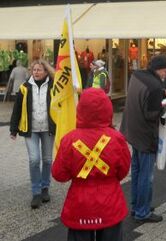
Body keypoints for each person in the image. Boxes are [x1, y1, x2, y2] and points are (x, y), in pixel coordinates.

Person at [52, 88, 130, 241]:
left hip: (80, 205)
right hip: (110, 203)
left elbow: (59, 174)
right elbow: (123, 170)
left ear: (80, 110)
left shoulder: (69, 139)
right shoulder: (116, 138)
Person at [120, 55, 166, 223]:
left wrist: (161, 94)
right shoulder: (154, 86)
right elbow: (152, 115)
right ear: (158, 69)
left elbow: (144, 99)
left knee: (136, 171)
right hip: (145, 136)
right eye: (165, 71)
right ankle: (142, 212)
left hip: (132, 131)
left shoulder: (137, 75)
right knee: (146, 175)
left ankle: (137, 205)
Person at [9, 59, 56, 209]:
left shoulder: (53, 86)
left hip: (48, 129)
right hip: (31, 129)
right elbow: (16, 109)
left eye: (39, 70)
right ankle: (36, 192)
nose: (36, 72)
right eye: (34, 70)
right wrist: (13, 129)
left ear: (46, 71)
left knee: (48, 160)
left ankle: (45, 188)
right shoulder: (24, 87)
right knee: (34, 160)